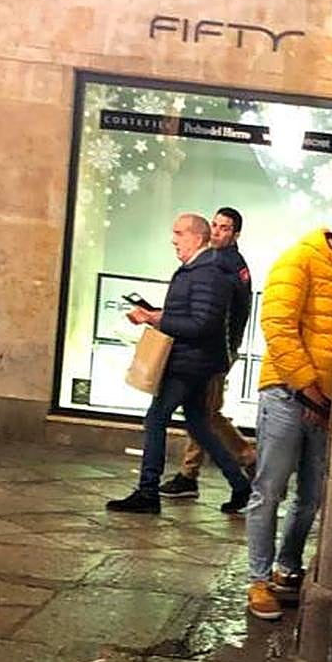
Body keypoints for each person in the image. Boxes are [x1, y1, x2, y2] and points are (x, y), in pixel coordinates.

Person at [106, 213, 252, 515]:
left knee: (156, 418)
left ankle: (148, 491)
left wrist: (157, 318)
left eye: (179, 233)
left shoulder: (208, 272)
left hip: (191, 364)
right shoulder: (199, 269)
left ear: (197, 238)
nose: (173, 239)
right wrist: (155, 314)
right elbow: (194, 314)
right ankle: (240, 486)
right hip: (195, 361)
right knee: (199, 425)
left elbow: (203, 324)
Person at [246, 216, 332, 620]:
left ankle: (286, 567)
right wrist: (308, 387)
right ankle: (258, 579)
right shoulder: (299, 259)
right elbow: (277, 326)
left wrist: (328, 398)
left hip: (324, 403)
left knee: (311, 494)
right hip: (288, 395)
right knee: (270, 488)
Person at [161, 206, 257, 510]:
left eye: (225, 228)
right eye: (215, 225)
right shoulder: (221, 262)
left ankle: (245, 457)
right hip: (217, 350)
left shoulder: (226, 265)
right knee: (202, 412)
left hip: (216, 352)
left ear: (236, 233)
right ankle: (190, 474)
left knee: (206, 414)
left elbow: (224, 315)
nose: (217, 231)